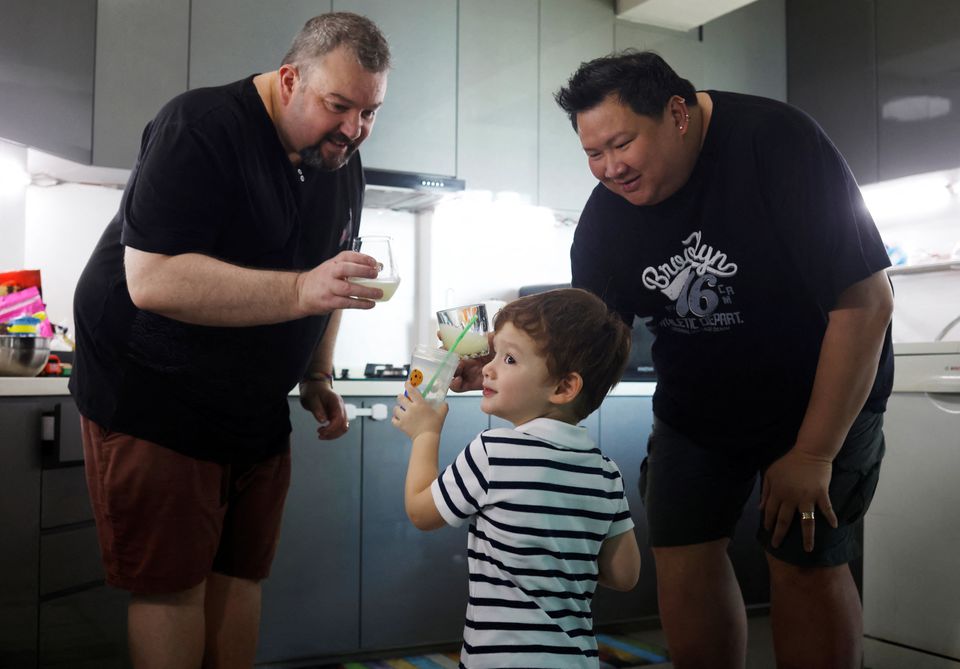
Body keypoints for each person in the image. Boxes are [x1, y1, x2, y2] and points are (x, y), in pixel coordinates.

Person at [546, 50, 894, 669]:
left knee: (803, 558)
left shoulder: (776, 143)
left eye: (621, 144)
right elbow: (588, 338)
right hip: (700, 409)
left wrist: (812, 453)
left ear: (677, 114)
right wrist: (507, 366)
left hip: (821, 394)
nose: (609, 169)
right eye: (592, 154)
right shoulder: (608, 217)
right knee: (681, 551)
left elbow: (866, 302)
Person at [69, 13, 390, 668]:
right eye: (340, 106)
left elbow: (337, 272)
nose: (354, 130)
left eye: (370, 112)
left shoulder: (339, 164)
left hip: (253, 405)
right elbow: (152, 280)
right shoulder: (202, 126)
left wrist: (318, 374)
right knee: (173, 585)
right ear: (291, 78)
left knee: (241, 574)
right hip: (154, 395)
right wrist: (301, 291)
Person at [393, 288, 642, 669]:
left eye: (508, 358)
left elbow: (421, 513)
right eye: (493, 354)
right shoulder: (606, 472)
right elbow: (625, 574)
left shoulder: (493, 453)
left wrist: (425, 434)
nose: (489, 368)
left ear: (563, 388)